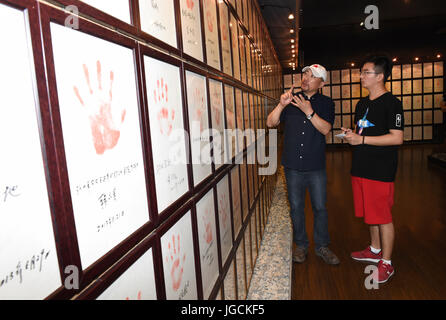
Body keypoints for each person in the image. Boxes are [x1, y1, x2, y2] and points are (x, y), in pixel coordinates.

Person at [267, 64, 339, 265]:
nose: (306, 78)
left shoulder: (326, 103)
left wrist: (309, 112)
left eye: (312, 75)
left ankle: (322, 246)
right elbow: (270, 123)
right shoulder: (291, 100)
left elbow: (325, 129)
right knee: (296, 207)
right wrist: (281, 105)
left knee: (319, 207)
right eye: (305, 74)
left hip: (315, 166)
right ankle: (300, 245)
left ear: (321, 83)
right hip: (292, 167)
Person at [342, 55, 404, 284]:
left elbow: (397, 138)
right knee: (370, 214)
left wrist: (363, 141)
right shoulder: (361, 104)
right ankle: (374, 249)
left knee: (383, 216)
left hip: (380, 170)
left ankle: (386, 263)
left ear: (380, 76)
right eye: (361, 72)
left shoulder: (392, 103)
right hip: (360, 167)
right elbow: (362, 133)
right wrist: (352, 135)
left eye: (365, 72)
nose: (361, 76)